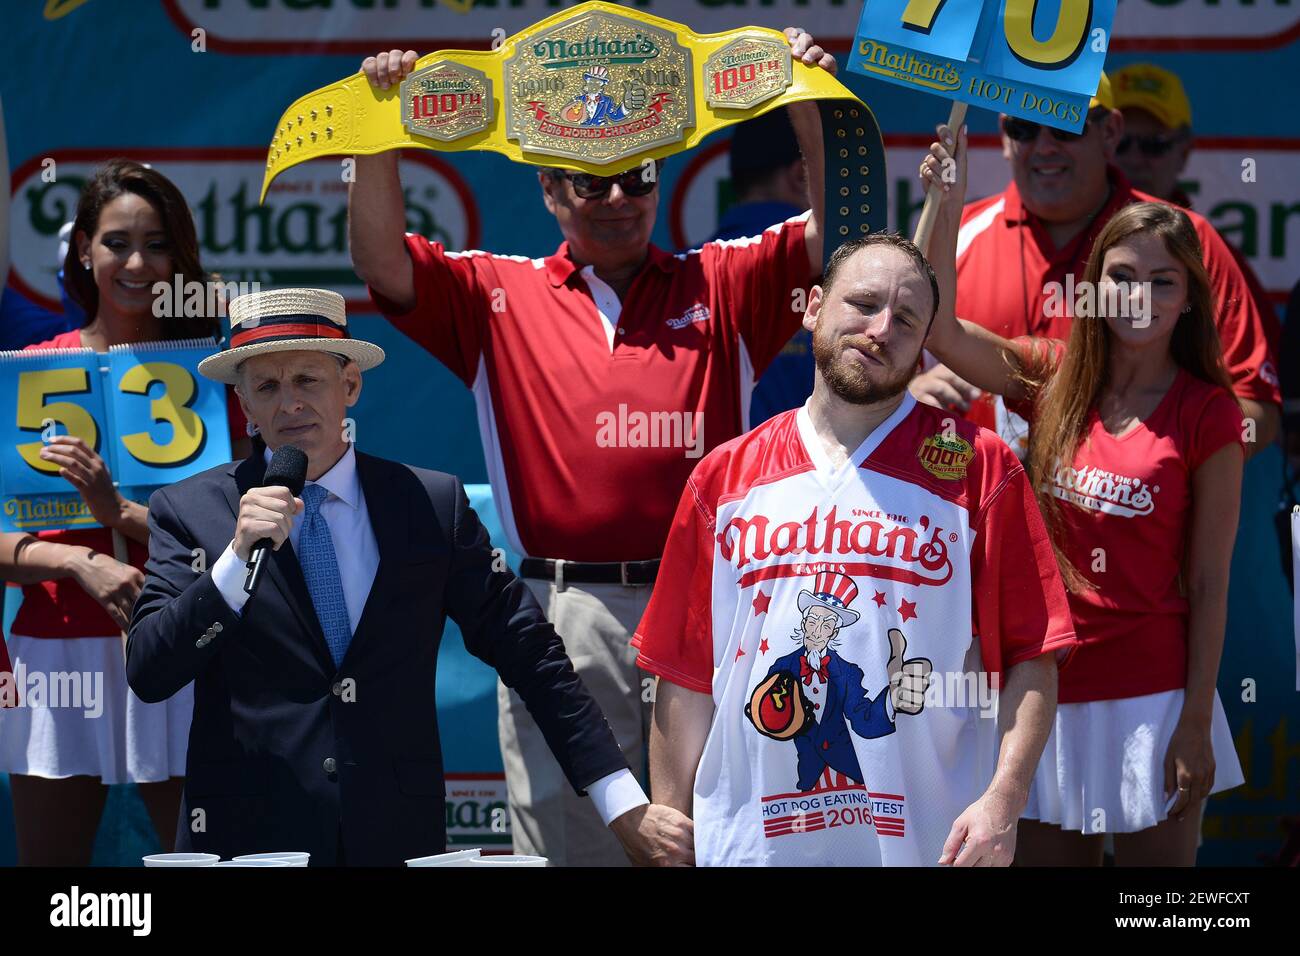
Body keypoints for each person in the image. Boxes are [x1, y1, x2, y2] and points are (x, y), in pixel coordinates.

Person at [349, 29, 837, 866]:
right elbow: (380, 261)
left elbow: (842, 236)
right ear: (548, 190)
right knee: (573, 847)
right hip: (563, 613)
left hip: (708, 605)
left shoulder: (720, 279)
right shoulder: (496, 291)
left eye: (636, 176)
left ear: (659, 181)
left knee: (718, 841)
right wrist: (381, 127)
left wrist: (808, 105)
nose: (616, 196)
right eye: (590, 179)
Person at [125, 288, 694, 867]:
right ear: (243, 401)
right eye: (268, 387)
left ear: (350, 386)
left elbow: (532, 654)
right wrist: (233, 562)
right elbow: (150, 670)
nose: (290, 403)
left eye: (308, 379)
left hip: (393, 840)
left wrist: (622, 802)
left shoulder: (429, 505)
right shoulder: (191, 510)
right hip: (248, 846)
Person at [634, 232, 1078, 866]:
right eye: (862, 304)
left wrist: (1004, 802)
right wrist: (672, 825)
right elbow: (682, 673)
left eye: (906, 318)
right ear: (814, 306)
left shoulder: (981, 468)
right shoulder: (723, 477)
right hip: (751, 848)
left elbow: (1036, 656)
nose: (880, 329)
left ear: (926, 340)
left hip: (926, 847)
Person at [920, 124, 1245, 865]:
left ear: (1190, 297)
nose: (1141, 296)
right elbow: (939, 331)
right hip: (1047, 694)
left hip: (1153, 699)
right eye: (1123, 276)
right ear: (1093, 287)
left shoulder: (1208, 413)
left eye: (1163, 281)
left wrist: (1195, 719)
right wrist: (947, 201)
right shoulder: (1056, 376)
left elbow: (1208, 583)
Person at [0, 158, 249, 866]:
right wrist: (80, 562)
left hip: (183, 642)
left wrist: (123, 514)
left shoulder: (211, 377)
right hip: (55, 652)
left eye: (158, 243)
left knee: (200, 860)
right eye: (116, 243)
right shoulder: (28, 370)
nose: (138, 262)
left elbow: (241, 539)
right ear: (83, 249)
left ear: (181, 255)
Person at [911, 73, 1280, 460]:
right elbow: (889, 362)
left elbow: (1257, 413)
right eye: (1024, 128)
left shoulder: (1185, 241)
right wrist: (906, 399)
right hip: (961, 507)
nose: (1045, 147)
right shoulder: (953, 231)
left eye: (1064, 125)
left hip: (1127, 515)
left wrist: (1149, 452)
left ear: (1110, 132)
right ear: (1004, 134)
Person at [1110, 62, 1282, 355]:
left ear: (1184, 152)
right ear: (1100, 140)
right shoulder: (1065, 229)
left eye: (1154, 144)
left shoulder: (1208, 248)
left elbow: (1256, 391)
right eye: (1121, 143)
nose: (1135, 157)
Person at [707, 108, 818, 428]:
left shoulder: (682, 274)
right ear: (800, 176)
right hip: (802, 471)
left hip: (709, 475)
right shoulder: (838, 275)